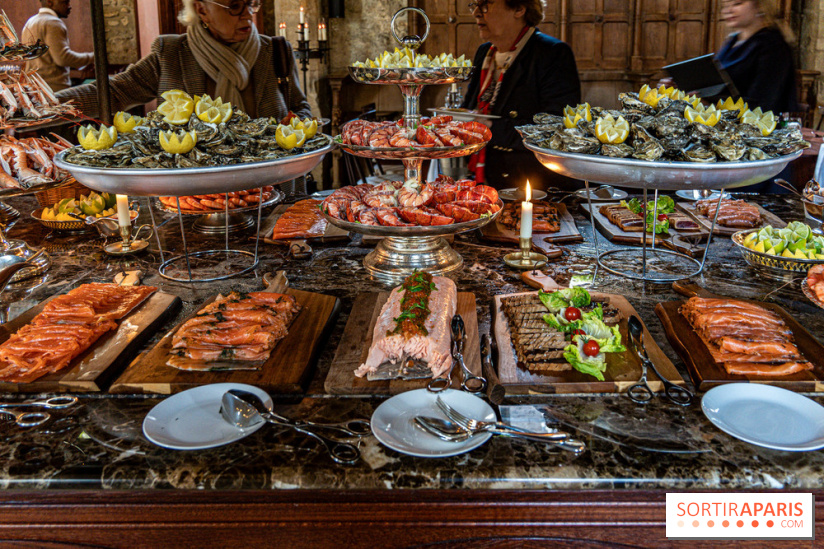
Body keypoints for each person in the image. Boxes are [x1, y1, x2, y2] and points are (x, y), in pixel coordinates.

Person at [56, 0, 311, 121]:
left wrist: (299, 122)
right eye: (234, 5)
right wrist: (44, 107)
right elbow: (114, 92)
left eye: (251, 3)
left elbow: (300, 106)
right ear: (202, 9)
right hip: (195, 197)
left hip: (273, 190)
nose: (248, 14)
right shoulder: (171, 53)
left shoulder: (276, 51)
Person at [461, 0, 581, 191]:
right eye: (474, 4)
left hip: (533, 185)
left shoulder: (553, 53)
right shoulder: (484, 52)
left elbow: (557, 128)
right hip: (486, 178)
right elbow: (470, 106)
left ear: (519, 8)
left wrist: (491, 128)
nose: (476, 12)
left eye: (485, 4)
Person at [715, 0, 798, 114]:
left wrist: (712, 104)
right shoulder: (731, 42)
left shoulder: (772, 44)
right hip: (724, 121)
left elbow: (764, 103)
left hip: (757, 126)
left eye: (737, 3)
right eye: (724, 6)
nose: (728, 11)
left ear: (759, 5)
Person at [20, 0, 94, 92]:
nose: (69, 6)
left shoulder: (31, 21)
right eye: (65, 3)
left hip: (35, 88)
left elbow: (46, 59)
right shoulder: (53, 22)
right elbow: (62, 58)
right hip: (54, 89)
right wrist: (93, 57)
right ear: (49, 2)